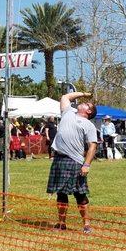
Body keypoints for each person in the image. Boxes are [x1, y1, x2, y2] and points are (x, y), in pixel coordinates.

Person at [46, 92, 97, 233]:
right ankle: (61, 223)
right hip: (59, 159)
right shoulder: (68, 113)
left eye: (87, 103)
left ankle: (86, 224)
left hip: (75, 161)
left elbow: (92, 146)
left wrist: (86, 165)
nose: (82, 102)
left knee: (79, 194)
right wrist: (84, 93)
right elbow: (65, 97)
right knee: (61, 194)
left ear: (89, 111)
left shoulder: (88, 125)